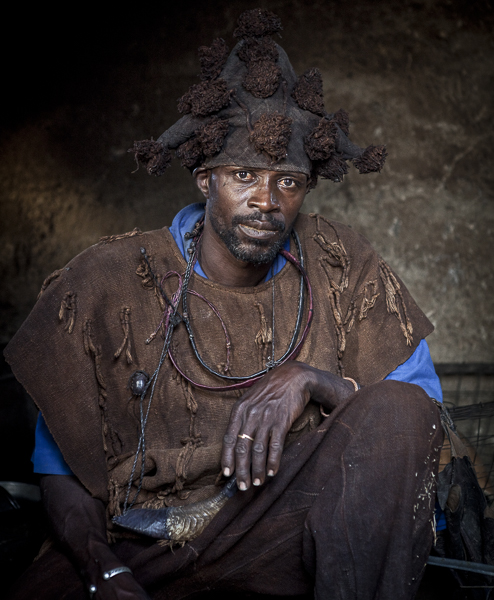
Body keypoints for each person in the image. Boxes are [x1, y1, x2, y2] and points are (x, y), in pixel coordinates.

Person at [5, 9, 444, 600]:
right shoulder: (108, 280)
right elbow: (58, 467)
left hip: (287, 527)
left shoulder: (343, 263)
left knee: (399, 410)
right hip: (143, 544)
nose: (267, 200)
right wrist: (101, 568)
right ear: (204, 177)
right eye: (243, 174)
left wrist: (310, 380)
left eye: (288, 181)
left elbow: (420, 419)